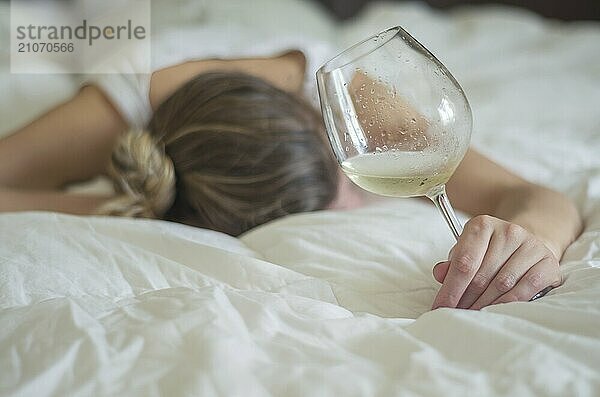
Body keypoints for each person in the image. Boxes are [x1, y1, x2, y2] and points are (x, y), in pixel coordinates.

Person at [0, 35, 582, 312]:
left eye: (345, 181)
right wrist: (135, 205)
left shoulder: (350, 103)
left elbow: (527, 195)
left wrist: (534, 240)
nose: (353, 202)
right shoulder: (134, 122)